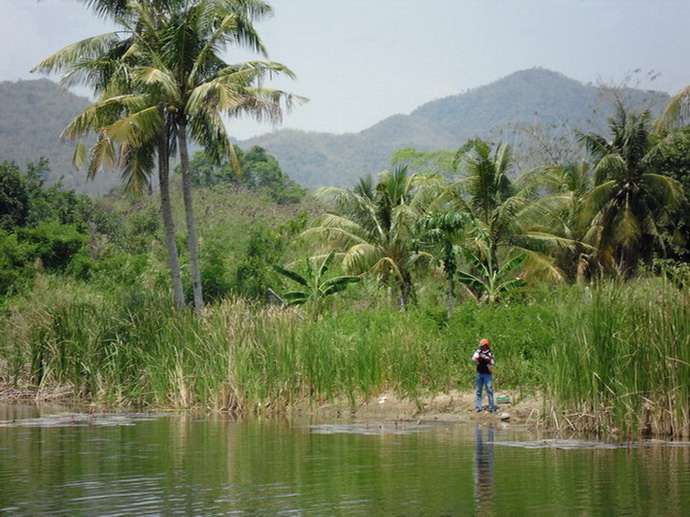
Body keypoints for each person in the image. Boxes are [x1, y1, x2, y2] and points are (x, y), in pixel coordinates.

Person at [472, 338, 496, 412]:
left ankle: (491, 407)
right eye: (480, 346)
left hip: (487, 374)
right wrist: (480, 357)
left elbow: (492, 364)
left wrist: (487, 359)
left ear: (486, 345)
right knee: (478, 390)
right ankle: (478, 407)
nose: (481, 347)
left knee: (489, 390)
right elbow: (474, 358)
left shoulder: (490, 353)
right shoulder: (478, 352)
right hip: (479, 373)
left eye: (482, 346)